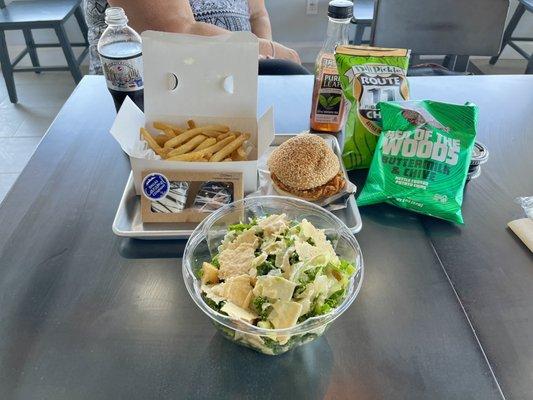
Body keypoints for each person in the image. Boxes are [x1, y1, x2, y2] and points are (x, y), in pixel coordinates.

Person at [84, 0, 307, 75]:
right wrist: (276, 53)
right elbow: (180, 32)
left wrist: (264, 64)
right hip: (147, 91)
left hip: (234, 75)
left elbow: (258, 14)